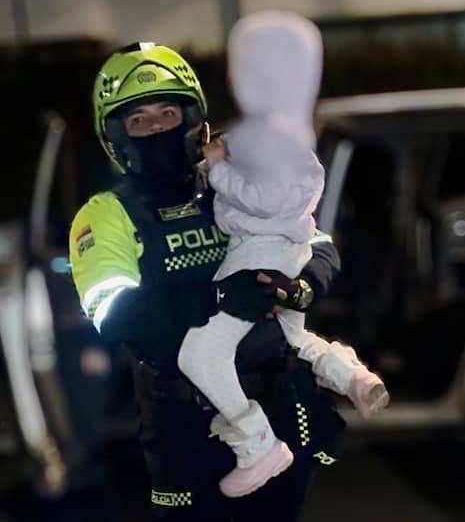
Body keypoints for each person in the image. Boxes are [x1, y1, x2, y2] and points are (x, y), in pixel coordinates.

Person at [69, 41, 346, 521]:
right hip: (187, 428)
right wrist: (220, 298)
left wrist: (301, 288)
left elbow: (315, 241)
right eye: (139, 120)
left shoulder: (231, 181)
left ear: (194, 119)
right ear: (116, 136)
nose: (156, 127)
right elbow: (113, 313)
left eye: (168, 113)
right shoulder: (104, 214)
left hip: (279, 406)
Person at [176, 12, 388, 498]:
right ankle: (350, 375)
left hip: (258, 257)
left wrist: (217, 168)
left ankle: (257, 446)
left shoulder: (266, 135)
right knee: (292, 339)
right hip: (287, 251)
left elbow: (266, 201)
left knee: (200, 354)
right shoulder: (295, 132)